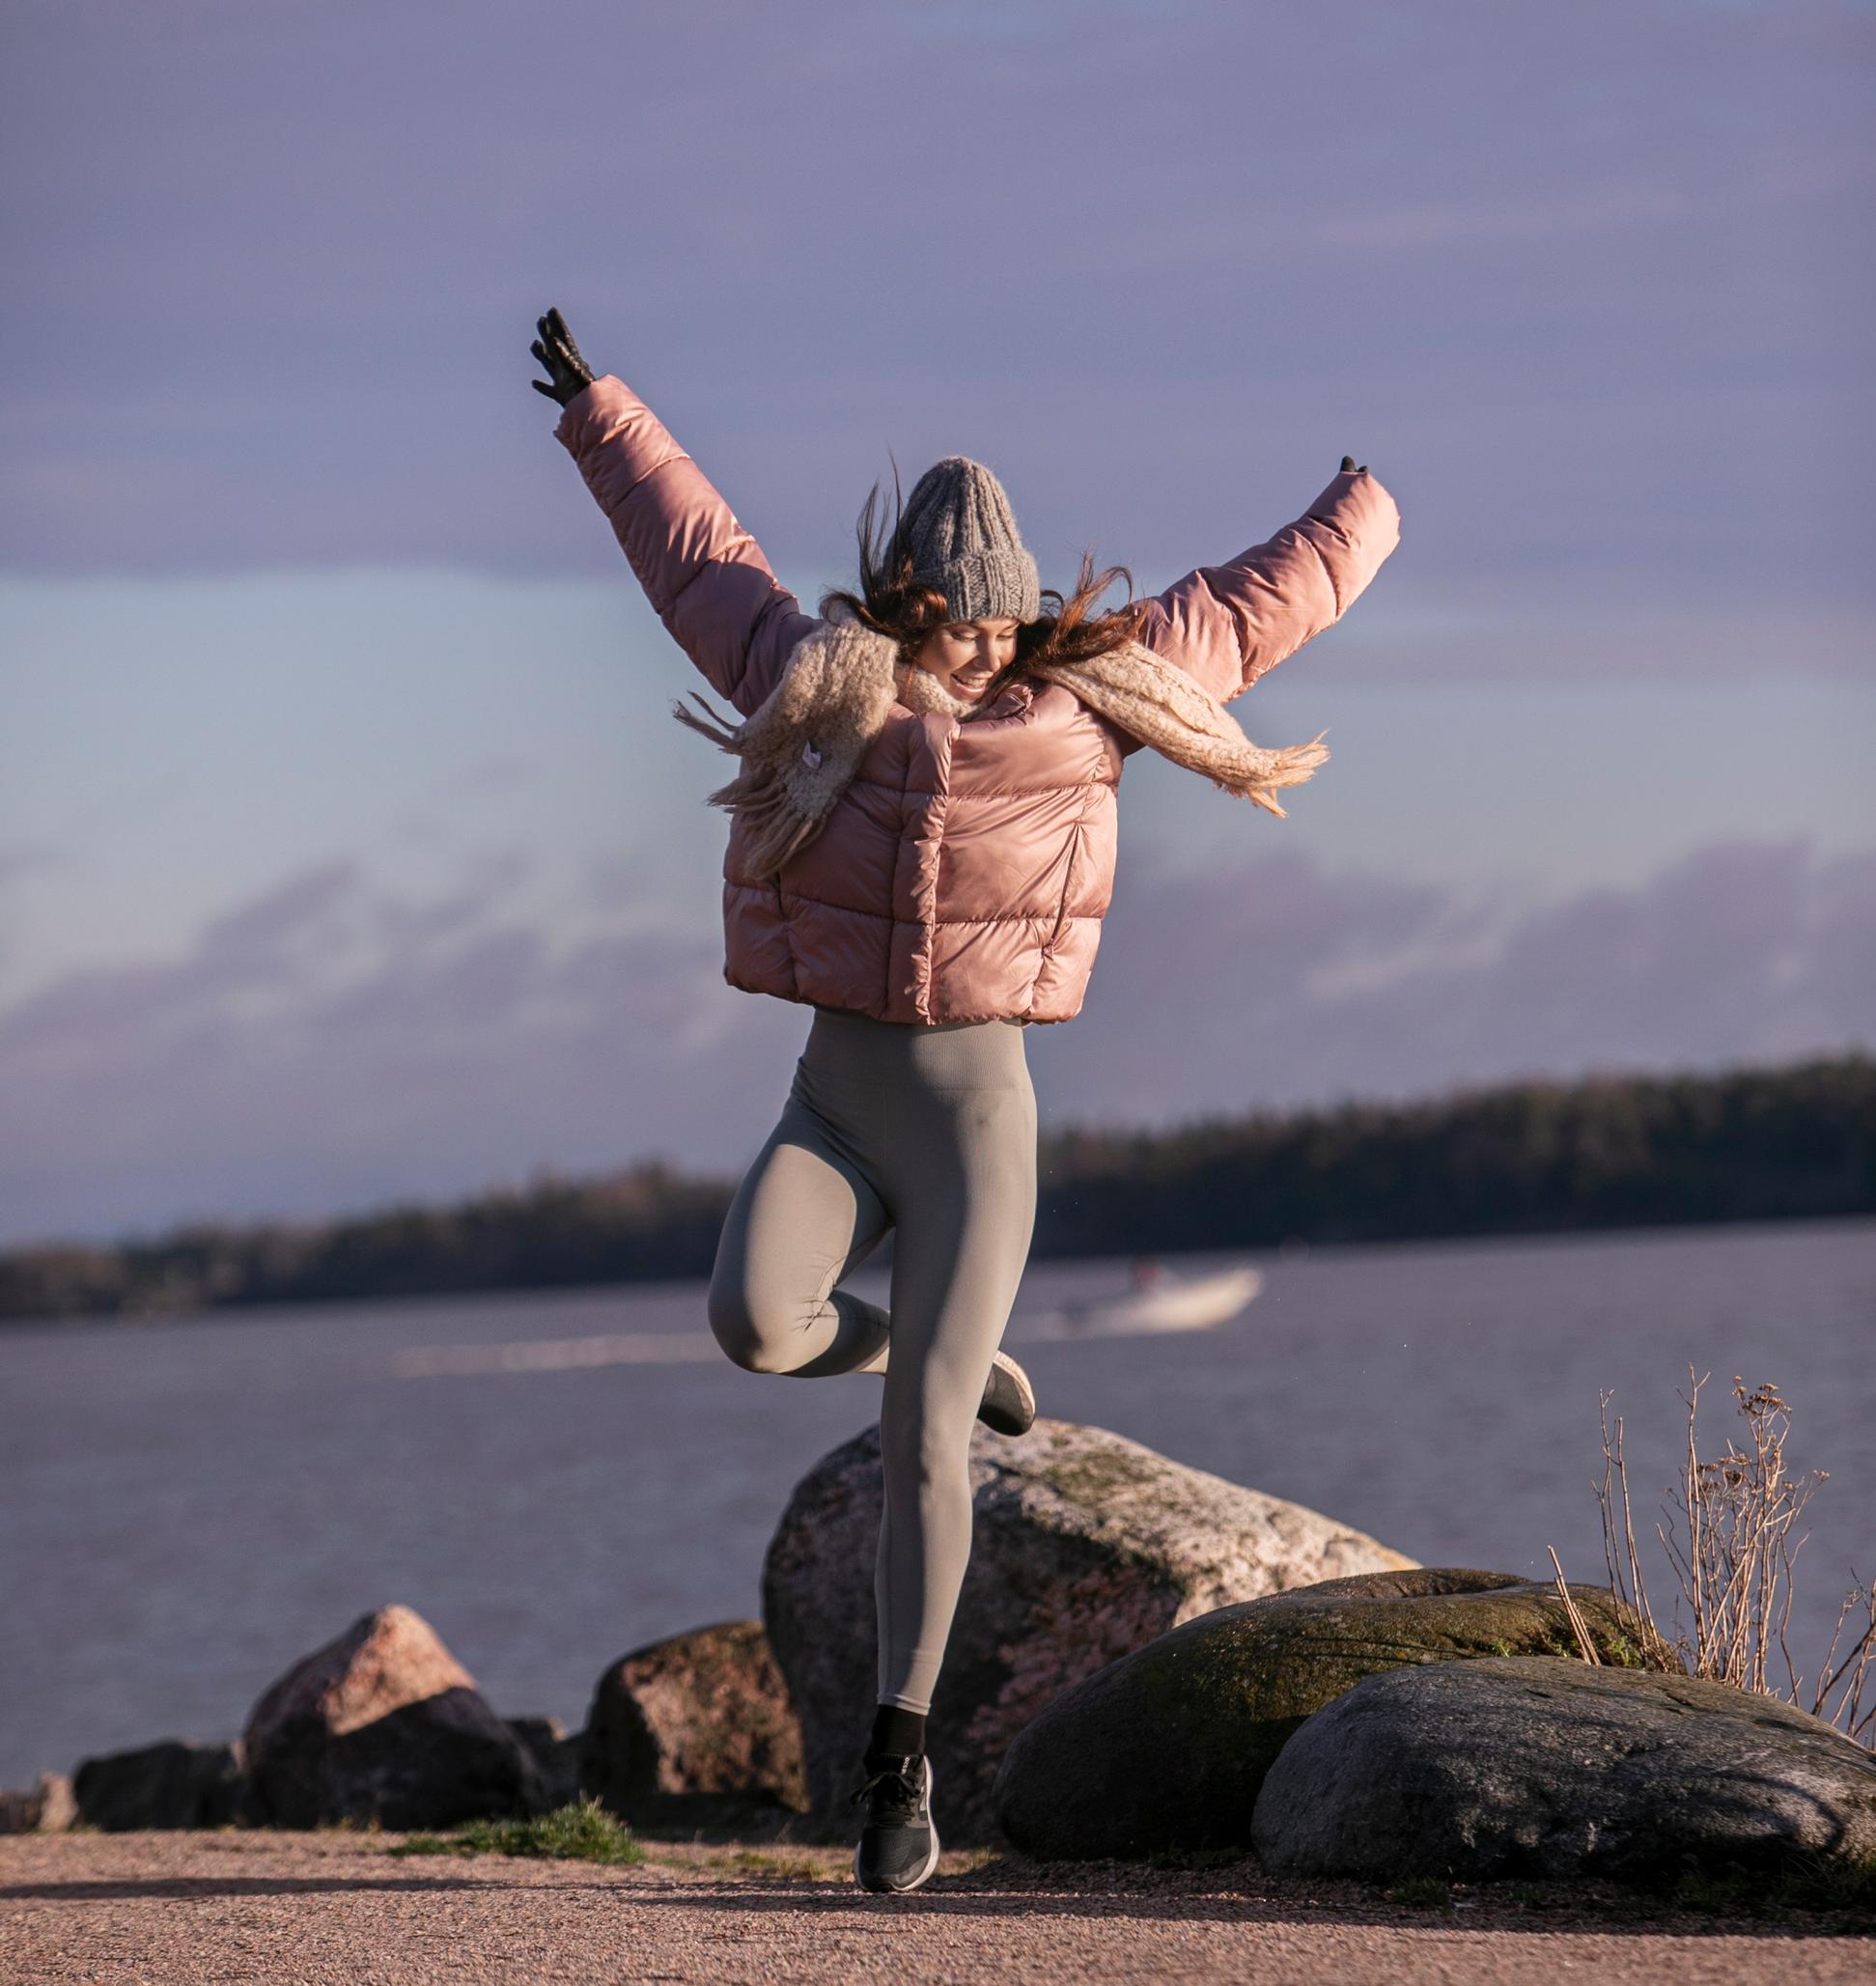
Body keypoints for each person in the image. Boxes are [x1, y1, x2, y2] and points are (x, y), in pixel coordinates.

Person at [528, 306, 1401, 1892]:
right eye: (955, 623)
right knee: (753, 1322)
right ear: (903, 604)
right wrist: (604, 413)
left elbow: (1260, 607)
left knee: (924, 1438)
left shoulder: (1093, 702)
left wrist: (1365, 501)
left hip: (978, 1127)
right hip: (837, 1110)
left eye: (1001, 625)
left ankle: (897, 1766)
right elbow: (697, 558)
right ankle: (958, 1347)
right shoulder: (814, 681)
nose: (982, 647)